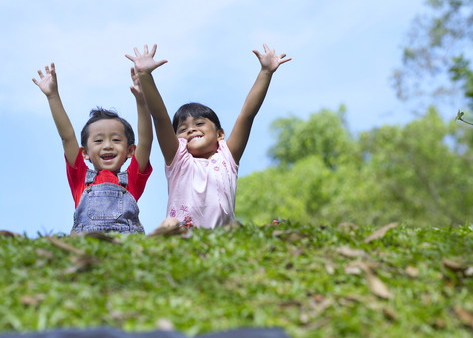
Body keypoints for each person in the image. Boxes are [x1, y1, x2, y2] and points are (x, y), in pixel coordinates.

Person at [126, 43, 291, 229]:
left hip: (222, 238)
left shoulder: (227, 157)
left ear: (220, 134)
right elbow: (160, 117)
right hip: (183, 236)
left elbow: (247, 115)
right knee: (170, 224)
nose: (190, 130)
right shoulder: (178, 159)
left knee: (238, 227)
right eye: (182, 129)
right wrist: (145, 76)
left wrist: (266, 73)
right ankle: (153, 247)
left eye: (199, 124)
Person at [32, 63, 153, 234]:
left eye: (116, 139)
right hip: (87, 247)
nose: (108, 145)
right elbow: (67, 137)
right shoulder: (80, 177)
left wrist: (142, 101)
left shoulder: (132, 179)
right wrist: (53, 96)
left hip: (123, 249)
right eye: (98, 140)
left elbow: (146, 140)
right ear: (85, 153)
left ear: (130, 150)